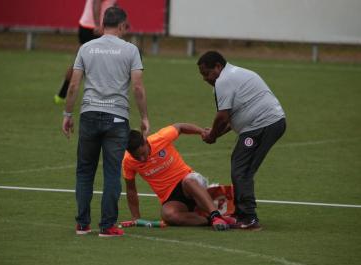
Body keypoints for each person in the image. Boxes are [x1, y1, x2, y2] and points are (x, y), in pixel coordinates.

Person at [62, 7, 150, 237]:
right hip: (117, 118)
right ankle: (107, 227)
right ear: (121, 26)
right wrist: (144, 117)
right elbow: (138, 87)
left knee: (84, 172)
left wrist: (67, 115)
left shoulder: (86, 48)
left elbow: (73, 85)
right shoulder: (131, 50)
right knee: (112, 173)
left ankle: (82, 224)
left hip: (89, 115)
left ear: (102, 25)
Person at [197, 51, 286, 231]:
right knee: (240, 165)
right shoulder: (234, 74)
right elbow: (232, 118)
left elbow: (222, 117)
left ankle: (250, 218)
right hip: (266, 123)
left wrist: (212, 135)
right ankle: (241, 214)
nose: (205, 78)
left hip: (262, 125)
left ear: (218, 67)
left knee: (242, 169)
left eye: (206, 73)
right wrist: (216, 134)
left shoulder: (223, 81)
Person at [122, 123, 233, 231]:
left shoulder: (160, 138)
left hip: (189, 182)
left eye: (143, 153)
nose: (142, 159)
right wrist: (136, 218)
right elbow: (131, 190)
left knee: (188, 181)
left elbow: (180, 127)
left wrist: (202, 132)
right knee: (168, 215)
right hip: (171, 198)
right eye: (137, 157)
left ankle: (215, 216)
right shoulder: (128, 162)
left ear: (145, 142)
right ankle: (209, 219)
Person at [54, 0, 116, 105]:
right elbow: (96, 2)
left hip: (91, 27)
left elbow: (111, 5)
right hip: (92, 28)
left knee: (81, 63)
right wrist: (97, 25)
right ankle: (100, 97)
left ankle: (62, 94)